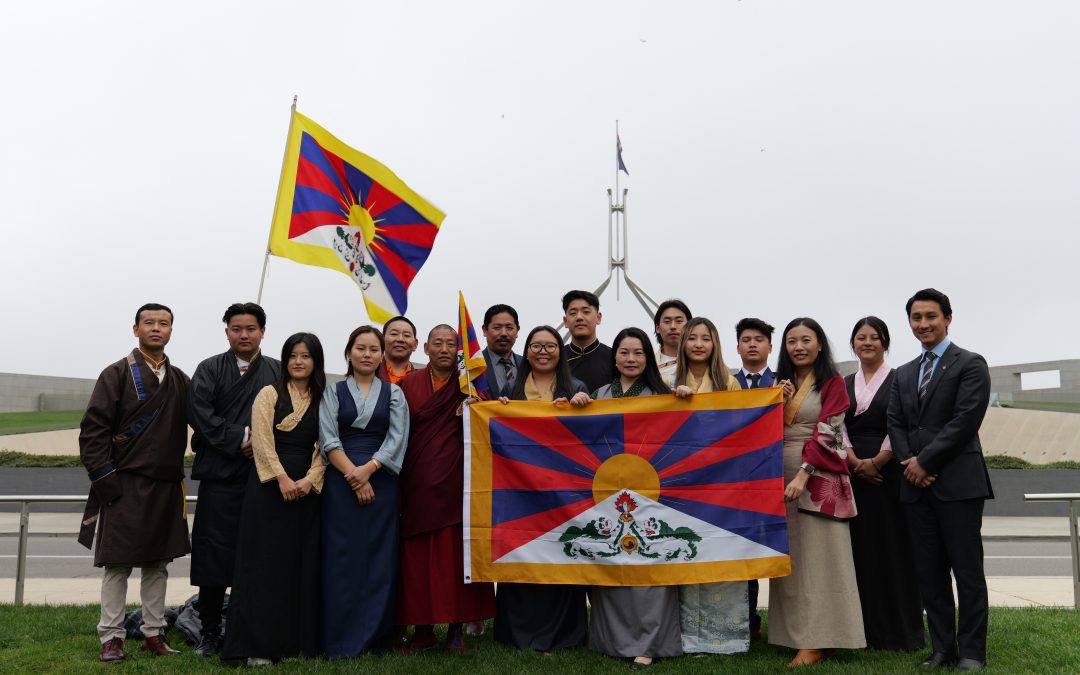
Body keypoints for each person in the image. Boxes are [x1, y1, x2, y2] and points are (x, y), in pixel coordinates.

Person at [887, 289, 993, 672]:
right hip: (915, 486)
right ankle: (942, 649)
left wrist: (926, 461)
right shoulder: (903, 373)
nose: (923, 324)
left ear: (948, 318)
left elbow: (965, 422)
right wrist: (909, 462)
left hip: (959, 484)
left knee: (966, 571)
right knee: (929, 573)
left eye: (930, 316)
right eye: (916, 317)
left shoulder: (970, 363)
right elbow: (895, 424)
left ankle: (972, 652)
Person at [78, 303, 191, 663]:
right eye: (149, 323)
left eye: (164, 323)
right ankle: (111, 636)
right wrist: (107, 481)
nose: (156, 328)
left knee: (158, 563)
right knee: (117, 564)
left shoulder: (180, 379)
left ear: (172, 330)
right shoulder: (115, 374)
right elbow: (93, 432)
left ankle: (154, 633)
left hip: (166, 485)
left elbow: (201, 423)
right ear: (135, 329)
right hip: (123, 483)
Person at [221, 333, 327, 664]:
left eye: (306, 356)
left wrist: (310, 480)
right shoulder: (269, 393)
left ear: (315, 361)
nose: (298, 361)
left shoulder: (324, 398)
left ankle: (295, 644)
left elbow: (327, 444)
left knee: (300, 567)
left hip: (307, 494)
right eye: (293, 355)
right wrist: (281, 478)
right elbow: (262, 442)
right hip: (268, 490)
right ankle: (257, 647)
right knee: (264, 567)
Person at [769, 317, 864, 667]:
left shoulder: (833, 382)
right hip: (781, 473)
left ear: (820, 344)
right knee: (794, 557)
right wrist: (776, 403)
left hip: (818, 475)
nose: (798, 347)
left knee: (823, 560)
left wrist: (803, 475)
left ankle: (819, 638)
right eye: (792, 341)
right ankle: (798, 634)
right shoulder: (781, 384)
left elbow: (830, 432)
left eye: (806, 339)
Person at [188, 302, 281, 656]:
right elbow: (200, 412)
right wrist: (240, 438)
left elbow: (286, 413)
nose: (244, 335)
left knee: (258, 555)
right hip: (220, 477)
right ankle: (210, 631)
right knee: (214, 556)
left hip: (262, 477)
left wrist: (260, 441)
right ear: (226, 331)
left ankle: (252, 631)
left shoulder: (275, 370)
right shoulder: (209, 369)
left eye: (251, 329)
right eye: (237, 329)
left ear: (262, 332)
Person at [397, 325, 496, 653]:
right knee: (417, 560)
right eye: (436, 343)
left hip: (457, 482)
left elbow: (492, 419)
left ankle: (456, 629)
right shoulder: (407, 384)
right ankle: (422, 629)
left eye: (450, 344)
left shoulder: (470, 386)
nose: (443, 349)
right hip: (417, 482)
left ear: (459, 350)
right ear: (424, 348)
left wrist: (475, 407)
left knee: (456, 558)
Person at [493, 326, 591, 654]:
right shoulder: (513, 386)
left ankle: (560, 635)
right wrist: (501, 408)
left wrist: (582, 406)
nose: (543, 351)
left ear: (560, 352)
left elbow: (588, 437)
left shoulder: (575, 387)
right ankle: (519, 633)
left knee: (560, 556)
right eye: (536, 345)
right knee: (524, 556)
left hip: (565, 491)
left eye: (550, 345)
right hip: (521, 491)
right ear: (528, 350)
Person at [589, 327, 680, 669]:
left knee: (650, 567)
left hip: (653, 490)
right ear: (615, 357)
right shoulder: (600, 393)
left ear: (649, 358)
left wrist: (684, 398)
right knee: (613, 562)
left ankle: (651, 642)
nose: (631, 359)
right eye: (625, 352)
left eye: (638, 353)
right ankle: (610, 640)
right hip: (609, 489)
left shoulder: (662, 394)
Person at [319, 326, 410, 656]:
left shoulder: (394, 394)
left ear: (382, 355)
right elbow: (328, 439)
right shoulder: (333, 392)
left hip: (382, 481)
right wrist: (353, 476)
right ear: (349, 352)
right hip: (340, 483)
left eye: (374, 349)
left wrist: (368, 470)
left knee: (378, 559)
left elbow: (398, 438)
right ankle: (337, 636)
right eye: (361, 348)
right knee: (341, 558)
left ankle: (374, 637)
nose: (367, 354)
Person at [841, 317, 926, 652]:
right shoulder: (844, 382)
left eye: (874, 338)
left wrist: (878, 460)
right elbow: (836, 423)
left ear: (885, 342)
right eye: (860, 337)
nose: (867, 343)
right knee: (859, 551)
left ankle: (900, 632)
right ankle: (862, 631)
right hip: (850, 474)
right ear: (853, 344)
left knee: (894, 549)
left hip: (888, 474)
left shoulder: (899, 379)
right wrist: (853, 460)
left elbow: (901, 422)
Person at [667, 317, 747, 655]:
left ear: (715, 344)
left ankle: (727, 637)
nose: (699, 344)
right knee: (686, 551)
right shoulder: (669, 380)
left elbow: (741, 430)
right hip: (680, 481)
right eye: (692, 338)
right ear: (683, 343)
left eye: (706, 338)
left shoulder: (728, 382)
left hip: (719, 480)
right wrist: (675, 399)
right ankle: (687, 637)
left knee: (720, 553)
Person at [732, 316, 776, 639]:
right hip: (734, 482)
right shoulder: (728, 384)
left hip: (774, 476)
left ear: (770, 347)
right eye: (746, 339)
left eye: (759, 339)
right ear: (737, 347)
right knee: (742, 550)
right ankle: (748, 621)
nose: (752, 344)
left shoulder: (783, 384)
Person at [561, 290, 612, 393]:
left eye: (586, 312)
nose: (579, 317)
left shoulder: (614, 358)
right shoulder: (556, 358)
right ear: (565, 321)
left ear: (598, 318)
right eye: (573, 313)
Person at [482, 304, 523, 398]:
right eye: (497, 327)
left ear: (517, 330)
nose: (504, 333)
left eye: (509, 328)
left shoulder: (528, 364)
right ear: (485, 330)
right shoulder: (474, 365)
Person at [653, 299, 692, 383]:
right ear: (658, 328)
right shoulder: (648, 365)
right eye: (667, 321)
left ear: (690, 326)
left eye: (679, 321)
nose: (673, 326)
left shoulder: (700, 362)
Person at [377, 316, 419, 385]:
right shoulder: (369, 372)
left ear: (415, 344)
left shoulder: (423, 379)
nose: (400, 339)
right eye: (394, 334)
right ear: (382, 340)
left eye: (407, 335)